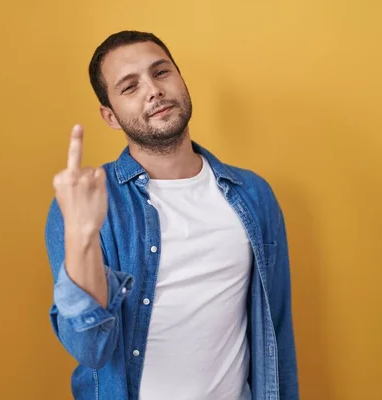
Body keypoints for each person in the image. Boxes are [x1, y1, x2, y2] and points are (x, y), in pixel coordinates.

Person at [45, 30, 299, 400]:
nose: (153, 90)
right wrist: (82, 235)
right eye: (129, 87)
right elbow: (89, 350)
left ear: (180, 79)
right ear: (110, 116)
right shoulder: (86, 201)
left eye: (161, 72)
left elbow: (275, 329)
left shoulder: (253, 195)